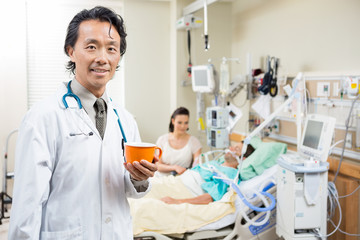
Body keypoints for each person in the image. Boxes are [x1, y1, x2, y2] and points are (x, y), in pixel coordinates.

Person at [8, 6, 157, 240]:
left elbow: (128, 189)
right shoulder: (43, 117)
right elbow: (27, 207)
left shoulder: (125, 120)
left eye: (111, 49)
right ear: (71, 51)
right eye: (91, 46)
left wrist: (139, 178)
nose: (102, 58)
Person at [155, 107, 202, 177]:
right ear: (173, 121)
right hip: (160, 178)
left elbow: (197, 166)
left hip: (182, 179)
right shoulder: (162, 140)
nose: (183, 126)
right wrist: (175, 167)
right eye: (179, 123)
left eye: (186, 123)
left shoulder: (194, 142)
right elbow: (157, 166)